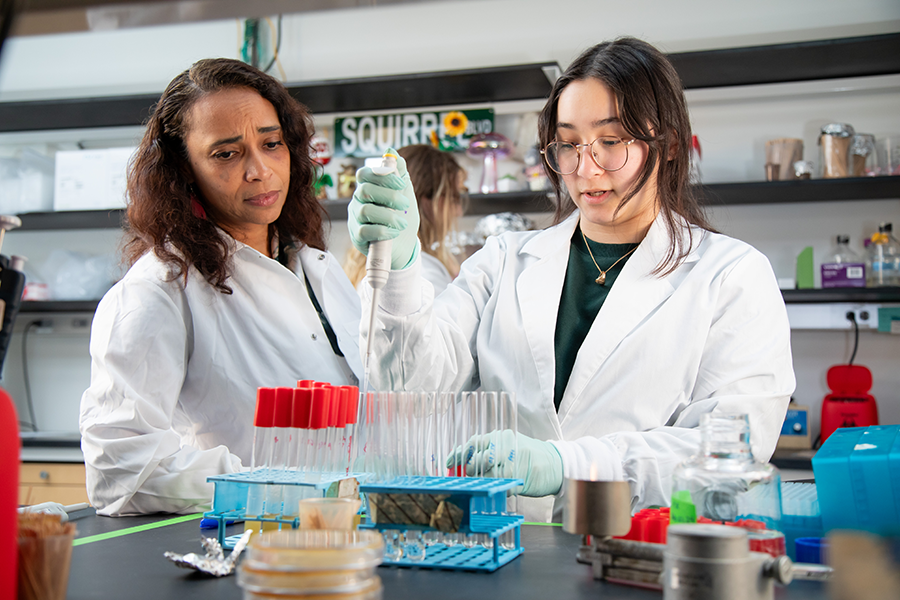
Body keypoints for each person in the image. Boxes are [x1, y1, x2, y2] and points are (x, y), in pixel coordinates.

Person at [348, 38, 795, 523]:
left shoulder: (730, 275)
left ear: (666, 146)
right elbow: (409, 386)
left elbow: (730, 453)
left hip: (633, 553)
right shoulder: (505, 261)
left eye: (612, 140)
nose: (585, 169)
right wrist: (399, 264)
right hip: (502, 548)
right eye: (569, 144)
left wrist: (568, 464)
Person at [80, 58, 363, 516]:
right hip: (248, 548)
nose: (259, 170)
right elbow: (120, 468)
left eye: (271, 144)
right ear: (184, 170)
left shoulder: (315, 268)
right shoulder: (160, 289)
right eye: (226, 153)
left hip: (345, 538)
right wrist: (272, 489)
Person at [343, 144, 467, 294]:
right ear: (426, 201)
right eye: (454, 197)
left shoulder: (364, 266)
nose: (459, 211)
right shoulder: (424, 274)